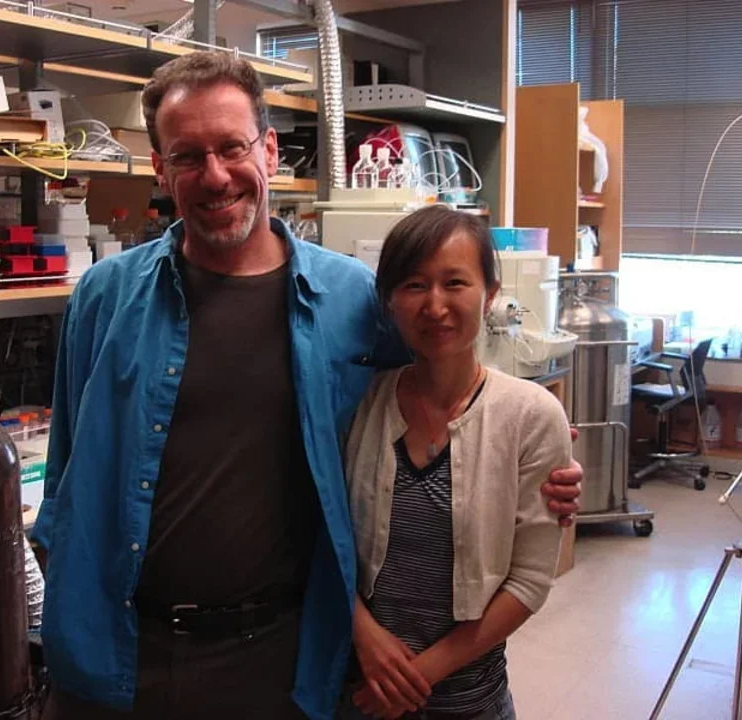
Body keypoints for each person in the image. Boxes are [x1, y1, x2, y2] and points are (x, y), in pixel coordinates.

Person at [32, 51, 582, 720]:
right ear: (159, 168)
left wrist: (532, 452)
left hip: (280, 657)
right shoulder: (103, 297)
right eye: (187, 156)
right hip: (119, 655)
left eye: (232, 147)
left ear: (268, 151)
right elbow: (63, 483)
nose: (215, 176)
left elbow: (433, 390)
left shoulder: (350, 301)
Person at [343, 206, 571, 720]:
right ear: (390, 301)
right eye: (415, 286)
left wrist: (420, 674)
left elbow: (531, 578)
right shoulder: (361, 403)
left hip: (469, 701)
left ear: (490, 293)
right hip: (359, 691)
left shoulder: (531, 415)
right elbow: (323, 537)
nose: (435, 305)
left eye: (455, 283)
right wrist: (366, 637)